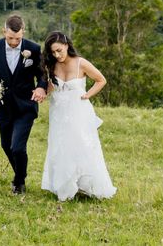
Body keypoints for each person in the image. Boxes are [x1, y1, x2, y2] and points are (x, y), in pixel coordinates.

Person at [40, 30, 117, 201]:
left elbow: (101, 80)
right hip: (59, 112)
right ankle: (65, 187)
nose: (57, 54)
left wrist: (88, 94)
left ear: (67, 45)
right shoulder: (52, 66)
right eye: (53, 52)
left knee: (82, 144)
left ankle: (87, 185)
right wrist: (41, 93)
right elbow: (51, 88)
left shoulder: (81, 63)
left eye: (59, 50)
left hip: (78, 111)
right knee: (60, 146)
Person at [0, 14, 48, 194]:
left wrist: (41, 88)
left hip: (26, 105)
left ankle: (19, 182)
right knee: (5, 145)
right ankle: (21, 174)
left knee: (17, 147)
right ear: (4, 31)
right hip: (3, 106)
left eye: (17, 39)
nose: (13, 42)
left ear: (23, 33)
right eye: (10, 38)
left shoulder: (33, 49)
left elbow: (42, 74)